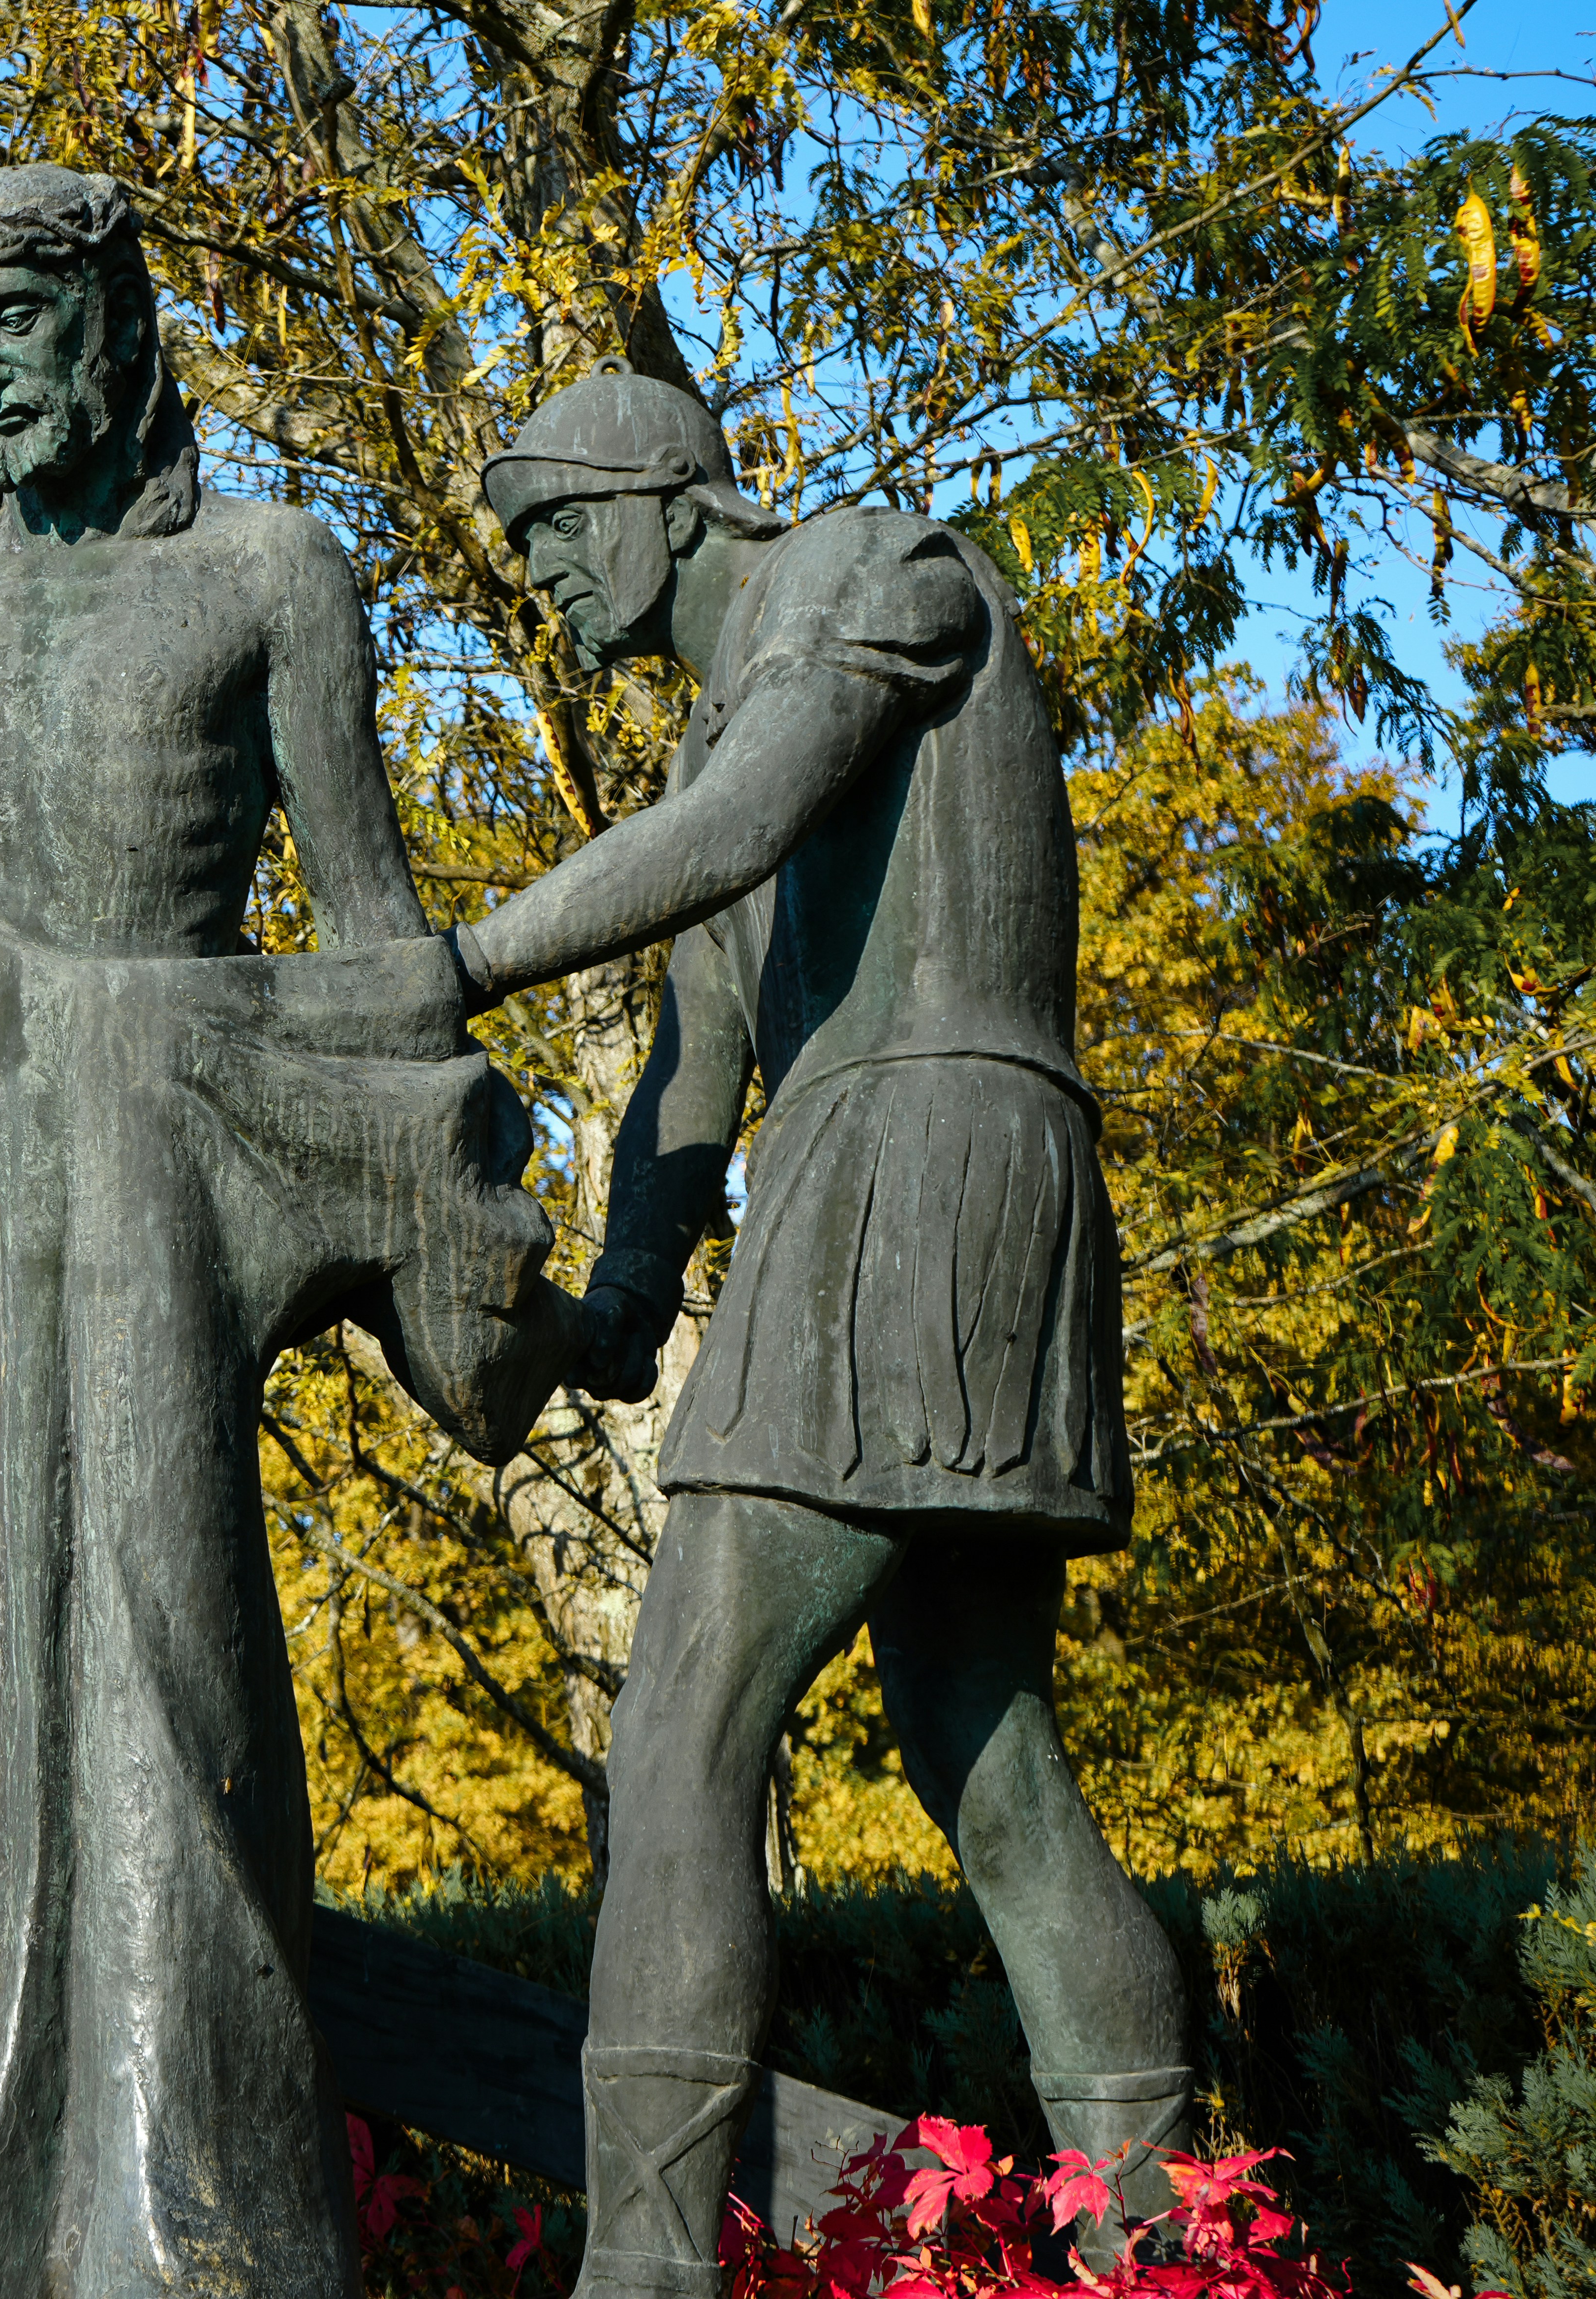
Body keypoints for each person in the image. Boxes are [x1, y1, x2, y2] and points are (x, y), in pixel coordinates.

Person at [0, 167, 578, 2299]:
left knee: (169, 1713)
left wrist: (474, 1238)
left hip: (150, 1219)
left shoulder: (275, 574)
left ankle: (202, 2247)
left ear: (119, 323)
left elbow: (380, 957)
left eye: (24, 319)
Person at [457, 364, 1191, 2291]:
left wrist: (447, 965)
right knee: (989, 1750)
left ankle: (647, 2266)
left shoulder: (876, 572)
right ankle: (1173, 2244)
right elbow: (693, 1078)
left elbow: (740, 822)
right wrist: (604, 1304)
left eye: (551, 532)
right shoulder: (723, 737)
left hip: (917, 1158)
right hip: (886, 1171)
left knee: (689, 1723)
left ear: (665, 502)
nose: (540, 576)